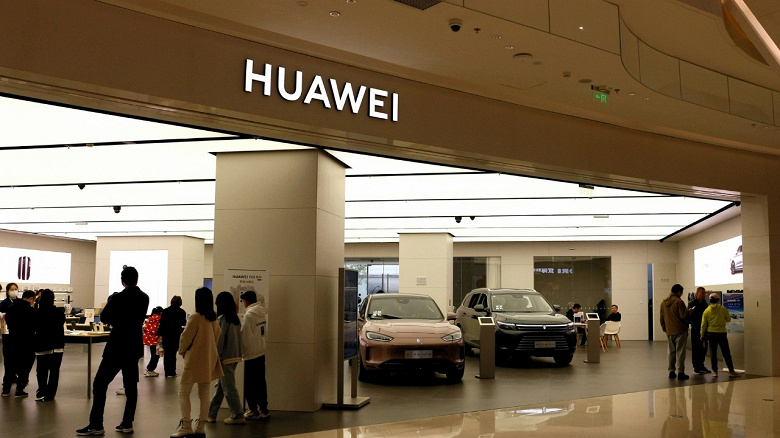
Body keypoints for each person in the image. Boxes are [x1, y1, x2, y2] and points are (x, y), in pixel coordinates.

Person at [77, 266, 149, 436]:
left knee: (100, 384)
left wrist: (112, 305)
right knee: (131, 387)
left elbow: (104, 317)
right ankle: (127, 423)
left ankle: (96, 424)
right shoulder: (144, 297)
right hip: (133, 346)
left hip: (116, 346)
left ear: (122, 281)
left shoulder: (118, 298)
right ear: (137, 279)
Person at [171, 287, 223, 438]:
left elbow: (185, 338)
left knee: (184, 392)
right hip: (209, 360)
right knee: (204, 393)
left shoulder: (195, 317)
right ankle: (201, 427)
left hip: (194, 360)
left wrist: (182, 351)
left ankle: (186, 425)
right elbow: (217, 338)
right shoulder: (214, 319)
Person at [207, 291, 244, 424]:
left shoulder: (223, 320)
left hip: (225, 357)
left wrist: (216, 355)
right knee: (222, 387)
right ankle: (211, 414)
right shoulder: (235, 319)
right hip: (235, 355)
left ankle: (238, 415)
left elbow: (220, 339)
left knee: (228, 388)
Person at [240, 290, 270, 420]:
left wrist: (242, 351)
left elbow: (245, 337)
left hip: (251, 354)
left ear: (246, 301)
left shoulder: (249, 316)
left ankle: (253, 410)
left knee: (250, 384)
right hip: (261, 351)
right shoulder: (262, 313)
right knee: (261, 382)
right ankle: (263, 409)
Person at [33, 289, 65, 401]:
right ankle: (51, 394)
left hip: (42, 345)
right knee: (55, 371)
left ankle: (42, 391)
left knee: (41, 371)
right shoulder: (59, 312)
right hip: (57, 345)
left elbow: (34, 327)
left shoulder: (37, 313)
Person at [3, 290, 36, 398]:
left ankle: (6, 390)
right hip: (26, 342)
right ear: (31, 299)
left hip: (11, 340)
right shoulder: (31, 311)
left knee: (9, 366)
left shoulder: (11, 308)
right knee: (25, 366)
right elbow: (34, 326)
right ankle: (20, 389)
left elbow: (8, 322)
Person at [701, 293, 742, 378]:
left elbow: (703, 324)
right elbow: (728, 319)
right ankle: (731, 370)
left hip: (711, 333)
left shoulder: (706, 311)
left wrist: (702, 335)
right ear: (718, 300)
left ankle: (715, 371)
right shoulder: (723, 309)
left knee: (713, 353)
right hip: (721, 333)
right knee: (726, 352)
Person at [660, 283, 690, 380]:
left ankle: (671, 371)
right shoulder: (679, 302)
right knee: (680, 352)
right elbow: (683, 316)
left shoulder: (663, 302)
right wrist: (689, 312)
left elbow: (661, 317)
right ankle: (681, 372)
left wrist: (665, 328)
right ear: (679, 292)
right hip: (680, 330)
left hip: (669, 331)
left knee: (671, 352)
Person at [158, 296, 187, 378]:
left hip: (166, 335)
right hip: (175, 335)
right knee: (173, 354)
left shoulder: (165, 311)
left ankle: (167, 372)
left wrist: (160, 334)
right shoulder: (182, 312)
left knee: (167, 353)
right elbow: (183, 323)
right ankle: (172, 371)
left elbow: (162, 324)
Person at [0, 282, 19, 396]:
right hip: (7, 334)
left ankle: (14, 376)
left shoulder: (19, 302)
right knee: (8, 358)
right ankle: (7, 382)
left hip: (18, 334)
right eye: (12, 289)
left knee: (17, 358)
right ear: (7, 291)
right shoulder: (4, 303)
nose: (14, 291)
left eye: (15, 289)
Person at [688, 287, 710, 375]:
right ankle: (696, 367)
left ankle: (701, 365)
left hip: (704, 328)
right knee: (696, 348)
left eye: (705, 293)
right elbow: (688, 316)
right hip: (696, 328)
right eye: (702, 293)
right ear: (697, 293)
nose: (704, 295)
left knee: (704, 348)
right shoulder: (692, 303)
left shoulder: (705, 304)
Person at [142, 306, 164, 377]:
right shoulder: (159, 319)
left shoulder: (150, 318)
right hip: (156, 340)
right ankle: (150, 369)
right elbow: (158, 330)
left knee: (153, 354)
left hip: (149, 339)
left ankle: (149, 369)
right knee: (156, 355)